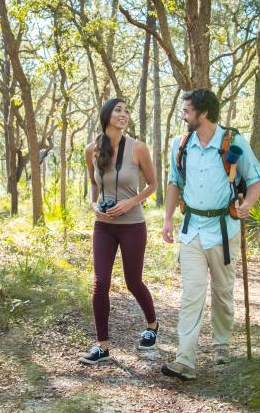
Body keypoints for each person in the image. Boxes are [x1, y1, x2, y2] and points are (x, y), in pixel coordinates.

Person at [160, 88, 260, 380]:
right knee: (191, 294)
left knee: (222, 291)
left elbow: (256, 179)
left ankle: (222, 344)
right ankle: (185, 360)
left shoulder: (233, 141)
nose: (183, 115)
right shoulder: (180, 145)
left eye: (187, 110)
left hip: (223, 230)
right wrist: (168, 219)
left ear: (203, 113)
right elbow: (174, 183)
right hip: (191, 229)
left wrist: (248, 204)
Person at [80, 98, 159, 365]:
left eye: (126, 111)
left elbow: (152, 184)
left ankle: (152, 325)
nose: (123, 114)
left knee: (133, 282)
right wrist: (93, 205)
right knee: (100, 282)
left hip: (132, 225)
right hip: (103, 226)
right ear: (106, 115)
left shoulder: (138, 148)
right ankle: (102, 345)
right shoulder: (91, 149)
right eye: (118, 110)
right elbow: (93, 185)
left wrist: (130, 202)